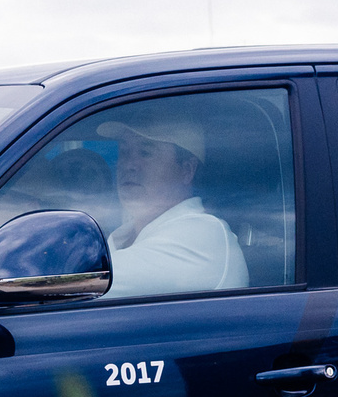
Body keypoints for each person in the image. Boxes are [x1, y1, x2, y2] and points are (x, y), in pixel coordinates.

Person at [93, 107, 244, 298]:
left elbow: (75, 286)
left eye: (146, 152)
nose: (128, 165)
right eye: (124, 152)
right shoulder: (125, 236)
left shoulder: (203, 235)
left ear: (187, 170)